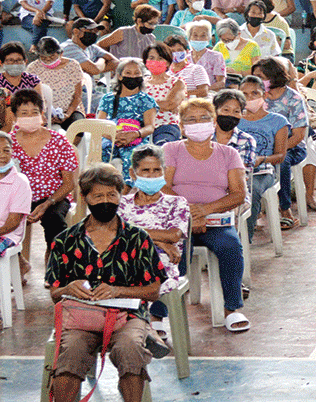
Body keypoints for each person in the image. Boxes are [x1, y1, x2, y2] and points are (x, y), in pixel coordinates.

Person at [37, 165, 165, 402]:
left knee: (132, 347)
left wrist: (118, 291)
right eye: (98, 196)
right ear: (86, 199)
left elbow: (153, 290)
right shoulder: (66, 240)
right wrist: (70, 286)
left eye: (112, 194)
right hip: (80, 317)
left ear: (122, 196)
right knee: (70, 351)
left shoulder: (137, 238)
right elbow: (54, 291)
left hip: (127, 318)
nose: (105, 200)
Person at [163, 98, 250, 331]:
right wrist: (189, 213)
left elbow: (238, 194)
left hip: (216, 221)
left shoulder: (229, 153)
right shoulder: (171, 150)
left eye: (203, 118)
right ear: (181, 126)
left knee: (231, 247)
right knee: (172, 251)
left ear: (213, 123)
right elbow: (163, 187)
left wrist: (204, 211)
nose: (197, 123)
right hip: (177, 221)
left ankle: (232, 308)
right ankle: (159, 315)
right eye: (190, 119)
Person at [118, 144, 189, 339]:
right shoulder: (122, 204)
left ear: (164, 172)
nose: (151, 175)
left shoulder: (177, 203)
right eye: (145, 170)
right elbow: (117, 236)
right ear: (133, 173)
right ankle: (140, 328)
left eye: (156, 170)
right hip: (127, 263)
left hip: (163, 267)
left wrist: (140, 236)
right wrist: (161, 243)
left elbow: (174, 235)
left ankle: (140, 327)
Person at [9, 88, 79, 260]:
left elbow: (69, 183)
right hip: (19, 197)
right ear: (15, 116)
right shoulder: (8, 142)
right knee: (3, 220)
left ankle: (54, 260)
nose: (29, 117)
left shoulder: (58, 141)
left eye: (34, 112)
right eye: (23, 113)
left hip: (54, 196)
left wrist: (47, 203)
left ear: (42, 113)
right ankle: (19, 262)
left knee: (54, 218)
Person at [258, 57, 310, 227]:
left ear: (272, 77)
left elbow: (298, 134)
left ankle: (284, 208)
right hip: (260, 145)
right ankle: (253, 207)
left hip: (290, 145)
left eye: (261, 76)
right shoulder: (255, 97)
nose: (257, 81)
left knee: (282, 160)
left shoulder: (293, 98)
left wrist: (277, 149)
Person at [236, 76, 289, 233]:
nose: (249, 98)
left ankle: (245, 237)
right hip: (236, 169)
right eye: (244, 94)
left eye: (254, 93)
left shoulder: (278, 121)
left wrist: (262, 159)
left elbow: (280, 156)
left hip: (263, 171)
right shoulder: (234, 119)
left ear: (265, 95)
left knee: (251, 190)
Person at [97, 59, 157, 181]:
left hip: (136, 138)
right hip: (110, 137)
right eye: (128, 73)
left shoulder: (147, 100)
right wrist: (114, 136)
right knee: (100, 154)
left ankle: (127, 193)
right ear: (119, 76)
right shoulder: (108, 98)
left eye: (137, 73)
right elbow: (99, 124)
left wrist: (135, 134)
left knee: (134, 157)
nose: (132, 76)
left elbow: (150, 127)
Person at [0, 129, 30, 294]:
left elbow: (12, 223)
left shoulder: (19, 182)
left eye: (6, 150)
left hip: (5, 234)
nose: (2, 155)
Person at [26, 37, 84, 129]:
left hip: (70, 110)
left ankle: (72, 144)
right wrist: (41, 114)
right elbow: (30, 96)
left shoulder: (73, 65)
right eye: (43, 58)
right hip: (42, 111)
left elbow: (78, 96)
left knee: (77, 129)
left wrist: (67, 114)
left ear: (61, 54)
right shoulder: (33, 68)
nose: (48, 60)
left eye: (52, 57)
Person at [141, 43, 187, 144]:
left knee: (163, 146)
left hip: (167, 125)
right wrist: (161, 105)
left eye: (160, 58)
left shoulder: (177, 82)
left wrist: (142, 105)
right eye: (152, 58)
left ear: (167, 62)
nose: (156, 61)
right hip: (142, 125)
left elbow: (170, 104)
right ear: (146, 62)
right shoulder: (140, 83)